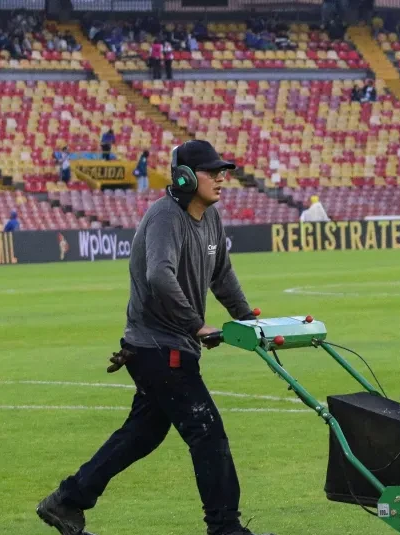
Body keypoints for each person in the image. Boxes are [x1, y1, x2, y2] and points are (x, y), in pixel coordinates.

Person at [35, 140, 274, 535]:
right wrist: (197, 325)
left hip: (169, 346)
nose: (221, 178)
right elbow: (159, 276)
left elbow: (222, 275)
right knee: (207, 432)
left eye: (222, 171)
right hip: (156, 347)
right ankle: (225, 527)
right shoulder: (165, 217)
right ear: (185, 177)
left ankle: (67, 501)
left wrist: (247, 320)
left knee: (142, 434)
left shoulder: (211, 218)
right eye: (212, 172)